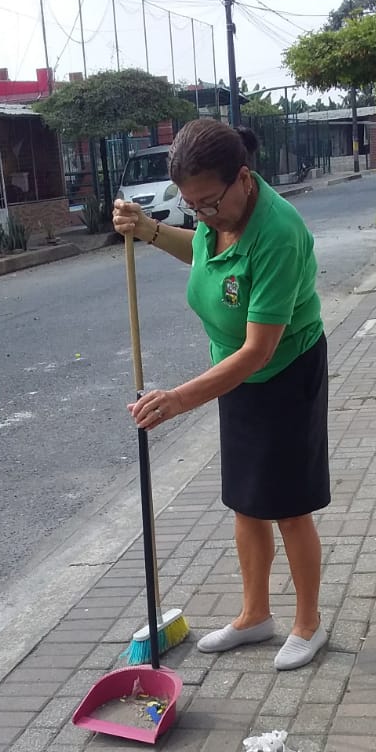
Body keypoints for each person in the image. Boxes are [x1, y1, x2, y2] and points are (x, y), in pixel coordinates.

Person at [113, 118, 329, 671]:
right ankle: (255, 615)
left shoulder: (278, 233)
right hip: (233, 376)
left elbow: (259, 350)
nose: (203, 215)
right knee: (246, 500)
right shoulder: (217, 216)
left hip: (284, 374)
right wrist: (149, 229)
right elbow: (205, 251)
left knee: (289, 506)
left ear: (244, 178)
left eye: (210, 203)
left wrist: (179, 400)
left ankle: (308, 623)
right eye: (192, 206)